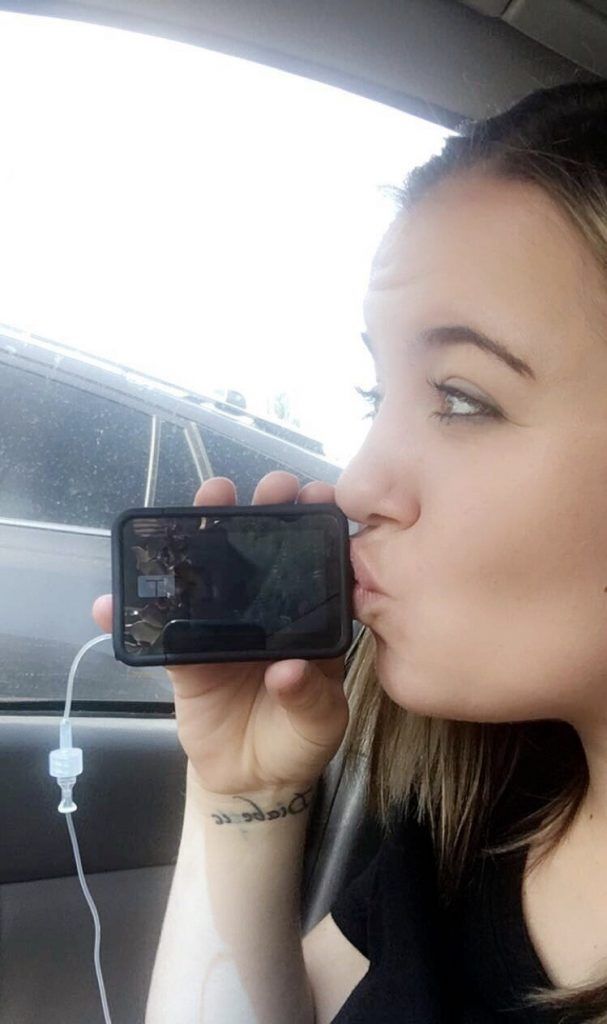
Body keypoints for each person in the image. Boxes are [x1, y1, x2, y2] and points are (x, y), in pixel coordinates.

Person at [93, 77, 607, 1023]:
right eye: (378, 397)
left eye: (461, 397)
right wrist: (238, 794)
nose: (358, 483)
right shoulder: (472, 819)